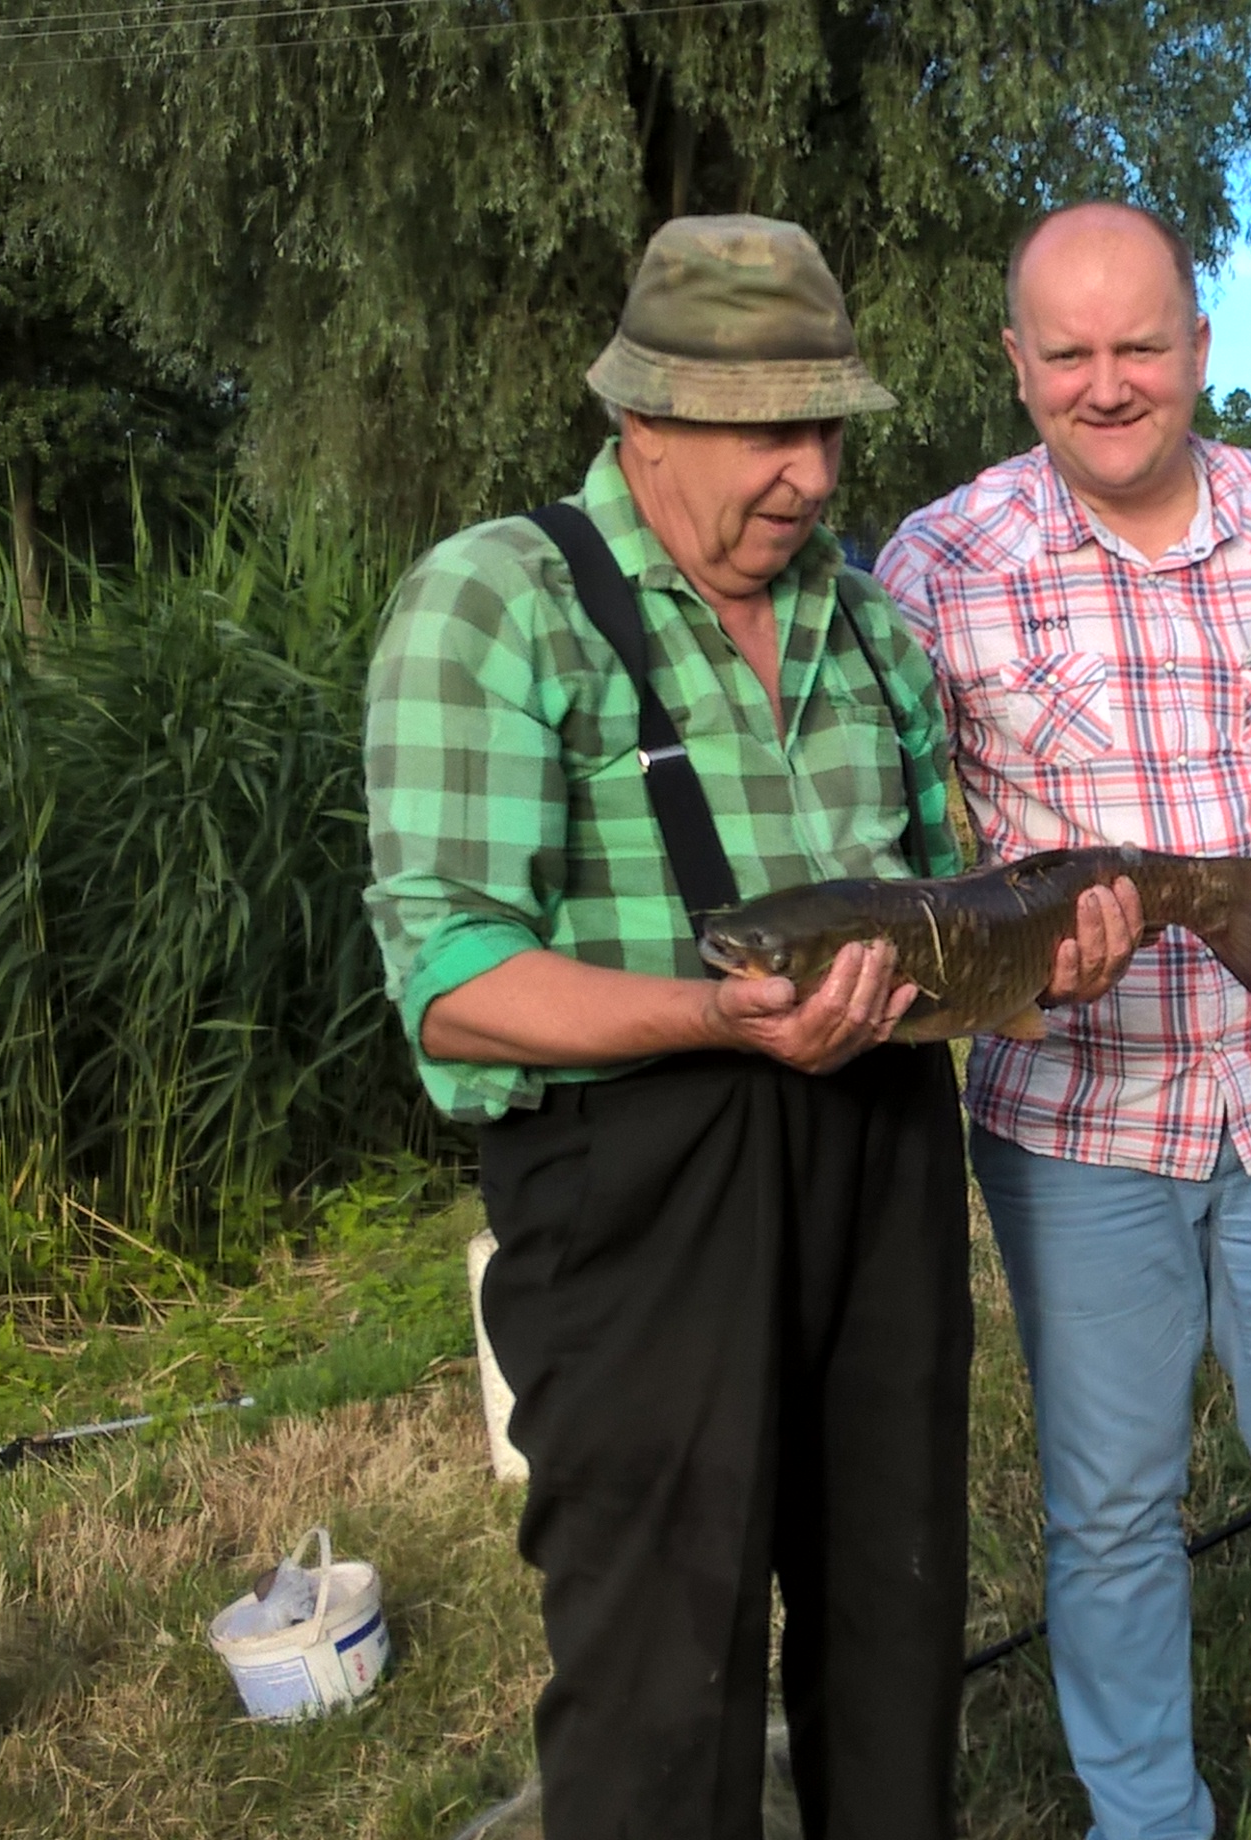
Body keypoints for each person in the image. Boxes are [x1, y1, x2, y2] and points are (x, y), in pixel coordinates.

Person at [362, 215, 1133, 1839]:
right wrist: (711, 1017)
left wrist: (1036, 961)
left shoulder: (871, 629)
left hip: (883, 1167)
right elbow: (450, 976)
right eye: (755, 430)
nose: (801, 473)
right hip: (639, 1184)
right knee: (661, 1665)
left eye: (822, 426)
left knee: (891, 1606)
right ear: (639, 420)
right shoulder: (500, 604)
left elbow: (946, 902)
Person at [875, 200, 1251, 1840]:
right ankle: (1146, 1820)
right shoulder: (933, 569)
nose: (1105, 383)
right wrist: (1010, 952)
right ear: (1015, 367)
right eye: (1065, 352)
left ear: (1198, 348)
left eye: (1137, 344)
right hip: (1074, 1118)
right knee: (1108, 1509)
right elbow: (914, 863)